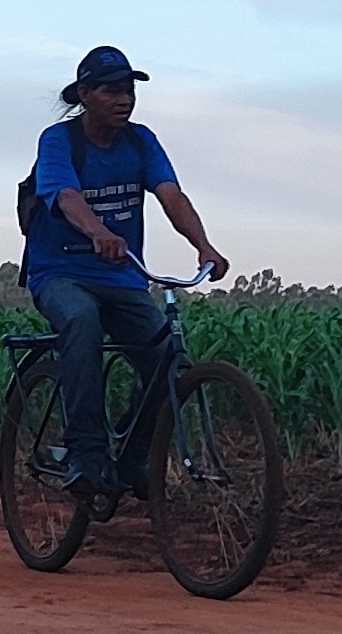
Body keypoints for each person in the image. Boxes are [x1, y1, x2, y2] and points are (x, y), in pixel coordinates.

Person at [24, 45, 228, 515]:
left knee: (164, 358)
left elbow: (171, 195)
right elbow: (65, 195)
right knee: (81, 320)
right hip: (60, 272)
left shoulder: (140, 142)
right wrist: (98, 232)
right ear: (84, 94)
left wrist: (204, 245)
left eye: (129, 89)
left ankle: (134, 460)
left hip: (122, 276)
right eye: (112, 90)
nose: (124, 99)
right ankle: (87, 452)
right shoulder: (58, 142)